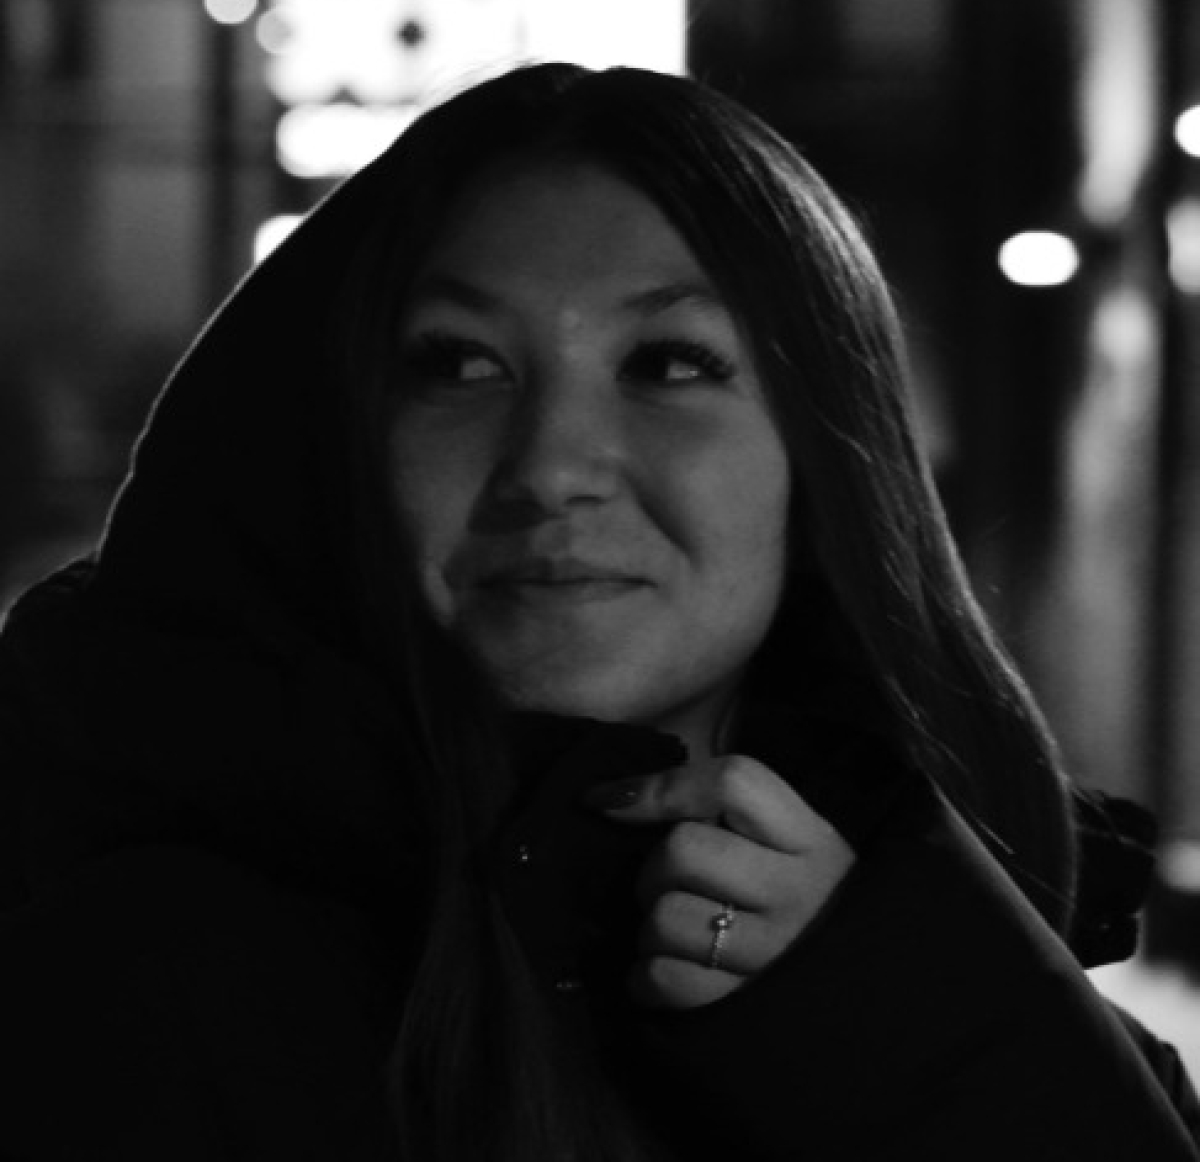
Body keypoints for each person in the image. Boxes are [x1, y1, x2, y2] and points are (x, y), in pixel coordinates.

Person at [0, 61, 1196, 1161]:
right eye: (459, 364)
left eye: (668, 363)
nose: (551, 465)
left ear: (827, 456)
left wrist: (910, 1024)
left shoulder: (1018, 1001)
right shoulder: (146, 981)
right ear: (338, 446)